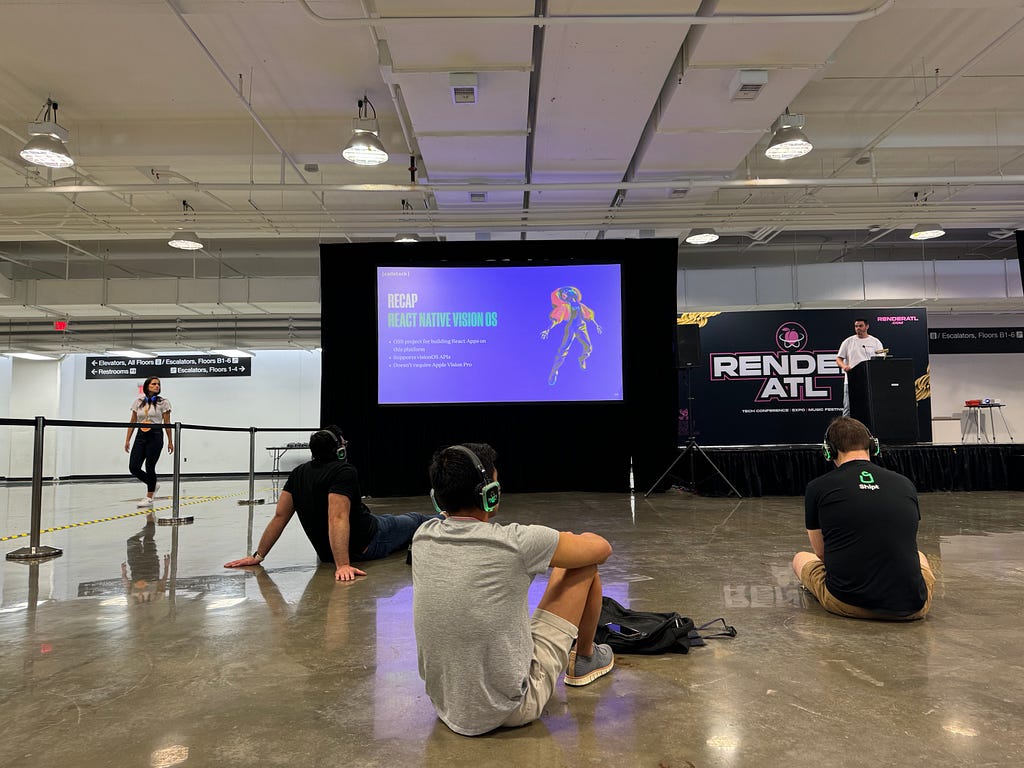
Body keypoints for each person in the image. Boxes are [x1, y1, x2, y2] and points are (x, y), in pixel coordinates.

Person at [412, 442, 614, 736]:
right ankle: (584, 658)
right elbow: (602, 549)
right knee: (582, 565)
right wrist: (566, 539)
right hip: (512, 707)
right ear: (489, 495)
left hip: (447, 704)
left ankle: (582, 658)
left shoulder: (422, 536)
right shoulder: (517, 542)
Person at [224, 426, 440, 580]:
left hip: (331, 552)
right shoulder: (344, 471)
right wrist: (343, 565)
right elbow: (337, 518)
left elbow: (280, 517)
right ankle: (448, 517)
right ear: (339, 449)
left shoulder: (298, 473)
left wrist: (258, 556)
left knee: (389, 520)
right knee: (415, 519)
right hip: (369, 543)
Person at [792, 416, 935, 620]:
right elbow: (906, 540)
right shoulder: (904, 483)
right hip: (913, 607)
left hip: (847, 602)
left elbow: (822, 553)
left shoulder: (817, 487)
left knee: (801, 558)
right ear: (873, 446)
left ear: (828, 451)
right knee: (920, 555)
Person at [125, 376, 173, 508]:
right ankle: (153, 483)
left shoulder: (163, 402)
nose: (156, 386)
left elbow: (167, 423)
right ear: (147, 386)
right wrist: (127, 439)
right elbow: (133, 422)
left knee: (149, 466)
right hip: (141, 435)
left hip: (155, 435)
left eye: (158, 384)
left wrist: (170, 441)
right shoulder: (138, 402)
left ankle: (149, 496)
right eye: (153, 384)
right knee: (133, 467)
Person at [540, 286, 602, 386]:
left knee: (588, 347)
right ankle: (554, 370)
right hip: (571, 328)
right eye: (562, 294)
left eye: (564, 294)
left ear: (571, 294)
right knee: (563, 350)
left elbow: (589, 315)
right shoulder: (565, 306)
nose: (563, 295)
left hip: (582, 327)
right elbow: (556, 318)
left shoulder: (581, 306)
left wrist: (596, 325)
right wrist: (548, 329)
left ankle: (582, 359)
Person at [836, 318, 884, 416]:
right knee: (848, 408)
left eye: (860, 326)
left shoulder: (875, 342)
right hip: (851, 380)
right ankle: (845, 431)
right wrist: (844, 367)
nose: (858, 328)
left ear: (867, 326)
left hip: (869, 380)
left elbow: (881, 360)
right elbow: (839, 359)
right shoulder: (848, 341)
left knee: (870, 407)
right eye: (856, 326)